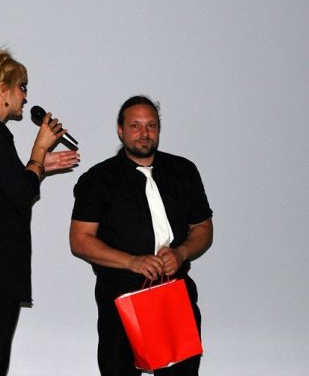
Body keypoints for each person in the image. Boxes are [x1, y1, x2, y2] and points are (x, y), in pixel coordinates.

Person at [0, 47, 79, 376]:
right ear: (3, 89)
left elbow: (6, 190)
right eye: (22, 87)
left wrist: (40, 166)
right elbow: (21, 194)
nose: (25, 96)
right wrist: (39, 150)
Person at [69, 95, 213, 376]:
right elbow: (80, 240)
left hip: (175, 290)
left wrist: (181, 253)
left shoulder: (184, 170)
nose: (144, 133)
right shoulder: (97, 179)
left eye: (151, 125)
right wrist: (131, 261)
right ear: (120, 130)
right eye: (135, 125)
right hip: (121, 294)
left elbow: (203, 228)